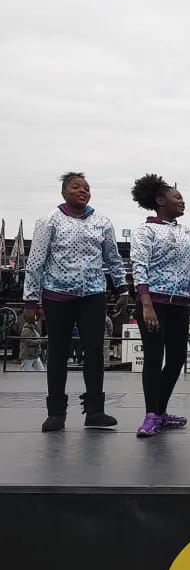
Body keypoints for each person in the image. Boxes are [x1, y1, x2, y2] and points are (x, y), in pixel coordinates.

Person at [24, 172, 129, 431]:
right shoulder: (49, 221)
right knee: (58, 351)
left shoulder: (102, 222)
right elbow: (36, 261)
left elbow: (113, 258)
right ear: (64, 192)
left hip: (93, 295)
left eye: (87, 187)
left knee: (94, 351)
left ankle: (95, 410)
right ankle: (56, 412)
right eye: (76, 187)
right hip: (57, 295)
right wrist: (30, 299)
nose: (83, 191)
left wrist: (123, 289)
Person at [131, 173, 190, 438]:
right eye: (178, 197)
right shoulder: (145, 231)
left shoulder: (186, 231)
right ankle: (150, 414)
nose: (182, 201)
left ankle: (160, 412)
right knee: (153, 358)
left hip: (180, 304)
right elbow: (139, 266)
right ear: (160, 200)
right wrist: (146, 302)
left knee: (176, 359)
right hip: (155, 303)